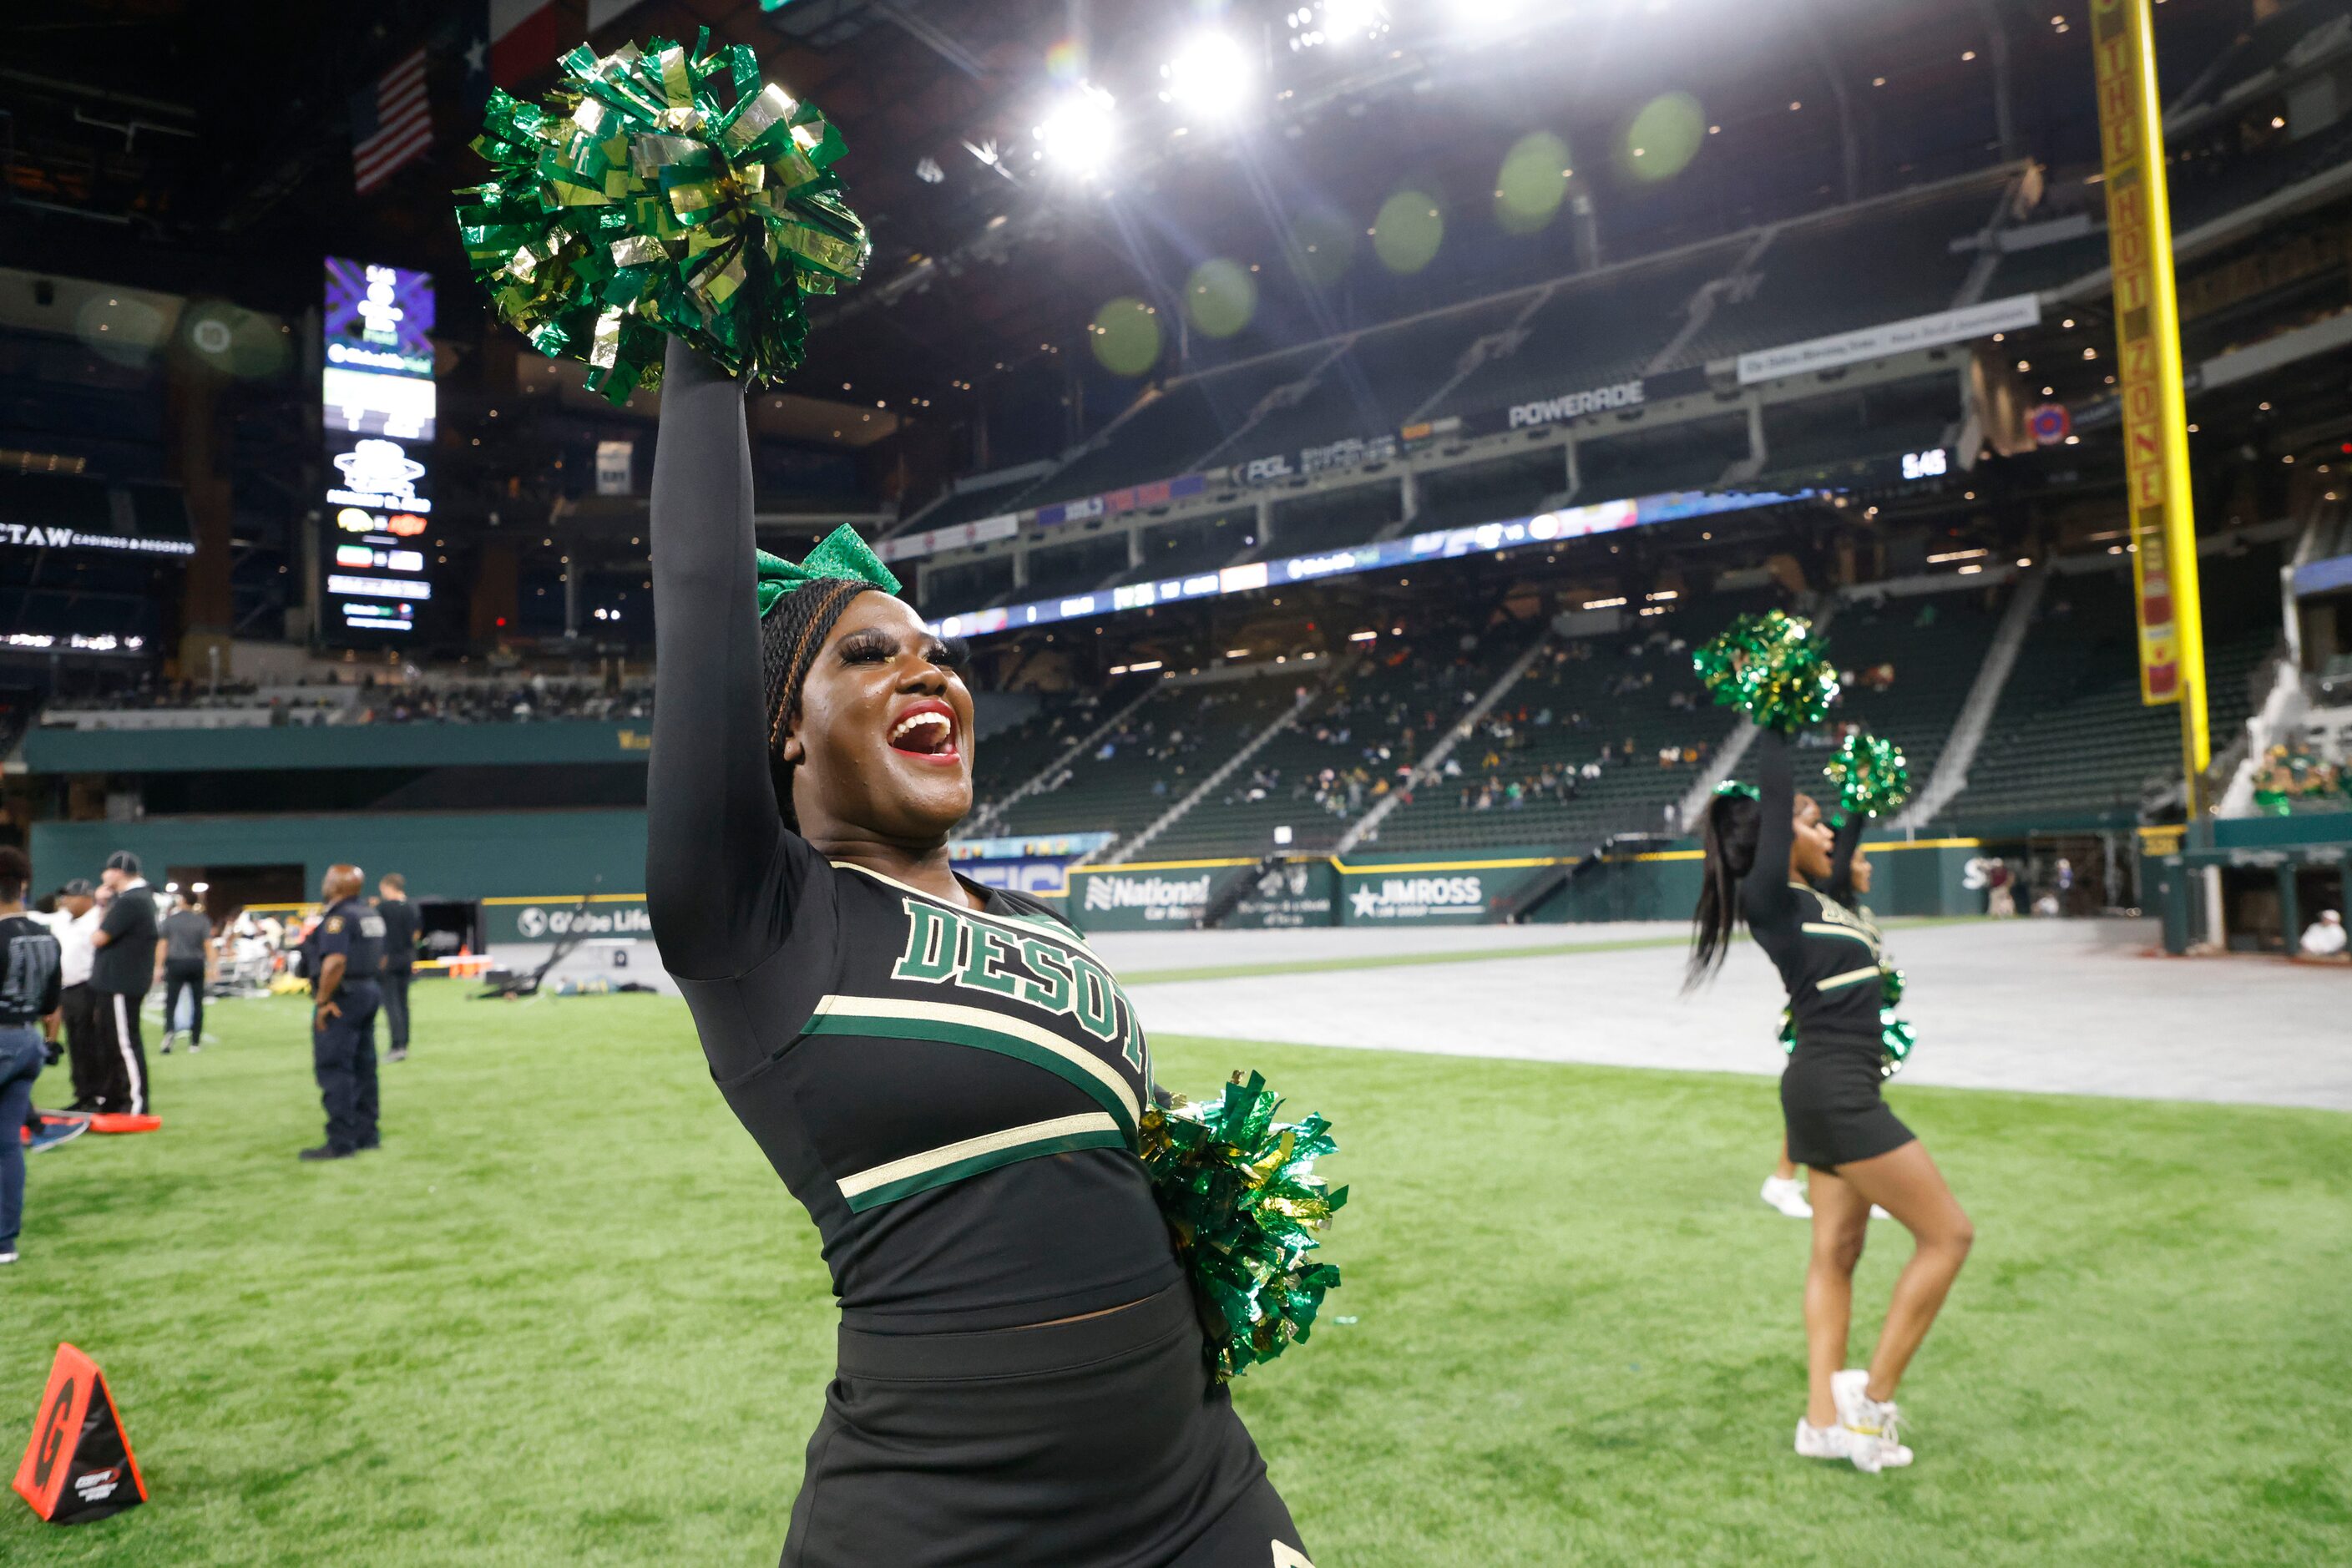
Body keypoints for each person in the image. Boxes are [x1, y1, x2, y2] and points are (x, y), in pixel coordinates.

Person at [647, 338, 1308, 1567]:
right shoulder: (759, 924)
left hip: (1200, 1485)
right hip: (948, 1521)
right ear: (782, 734)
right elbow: (696, 588)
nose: (926, 666)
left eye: (937, 650)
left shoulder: (1038, 923)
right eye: (868, 652)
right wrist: (707, 341)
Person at [1690, 732, 1973, 1474]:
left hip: (1829, 1089)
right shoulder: (1772, 904)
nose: (1825, 835)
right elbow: (1782, 804)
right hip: (1835, 1092)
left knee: (1837, 1252)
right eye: (1807, 826)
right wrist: (1779, 721)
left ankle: (1820, 1422)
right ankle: (1869, 1405)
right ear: (1780, 837)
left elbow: (1847, 831)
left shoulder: (1828, 901)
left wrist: (1858, 794)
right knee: (1948, 1237)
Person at [0, 847, 65, 1265]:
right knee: (7, 1146)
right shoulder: (48, 937)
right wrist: (51, 1042)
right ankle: (4, 1241)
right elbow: (51, 1004)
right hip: (28, 1042)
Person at [302, 864, 385, 1161]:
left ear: (337, 885)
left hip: (344, 996)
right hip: (369, 990)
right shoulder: (370, 914)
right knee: (365, 1066)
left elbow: (334, 962)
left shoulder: (339, 918)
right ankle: (367, 1134)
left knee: (335, 1067)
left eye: (327, 879)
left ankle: (341, 1142)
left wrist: (323, 1001)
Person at [88, 851, 159, 1117]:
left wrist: (101, 904)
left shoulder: (132, 900)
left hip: (121, 981)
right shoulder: (136, 899)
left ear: (117, 872)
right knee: (114, 1043)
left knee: (125, 1044)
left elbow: (98, 937)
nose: (103, 876)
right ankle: (116, 1099)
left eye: (107, 870)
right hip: (117, 981)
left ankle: (136, 1104)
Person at [34, 880, 102, 1111]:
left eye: (71, 896)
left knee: (89, 1043)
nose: (65, 901)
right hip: (67, 988)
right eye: (63, 896)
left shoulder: (96, 920)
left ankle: (97, 1095)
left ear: (86, 897)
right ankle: (83, 1094)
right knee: (75, 1043)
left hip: (89, 987)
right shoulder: (64, 920)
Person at [157, 893, 215, 1055]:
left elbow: (163, 945)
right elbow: (208, 945)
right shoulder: (202, 920)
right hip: (196, 963)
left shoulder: (170, 921)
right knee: (197, 1003)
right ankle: (195, 1042)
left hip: (175, 963)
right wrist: (213, 966)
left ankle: (169, 1032)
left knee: (171, 1002)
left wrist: (158, 967)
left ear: (182, 901)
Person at [374, 873, 417, 1061]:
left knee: (392, 1005)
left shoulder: (383, 908)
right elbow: (416, 933)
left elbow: (379, 935)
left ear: (388, 887)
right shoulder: (411, 907)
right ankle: (405, 1043)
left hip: (388, 960)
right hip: (407, 959)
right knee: (403, 1003)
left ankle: (397, 1046)